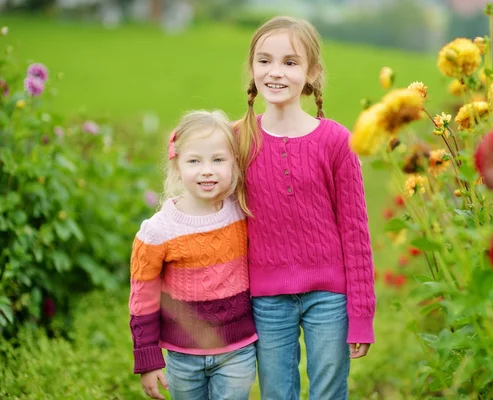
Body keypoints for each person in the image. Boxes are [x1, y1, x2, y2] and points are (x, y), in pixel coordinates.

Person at [236, 16, 376, 400]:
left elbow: (356, 232)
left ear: (312, 72)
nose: (275, 72)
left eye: (290, 62)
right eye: (264, 61)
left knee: (329, 391)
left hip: (330, 297)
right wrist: (182, 147)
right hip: (266, 298)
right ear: (252, 68)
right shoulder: (236, 139)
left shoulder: (336, 141)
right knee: (277, 393)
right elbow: (197, 165)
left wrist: (361, 316)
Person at [129, 110, 257, 400]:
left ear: (234, 163)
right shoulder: (157, 231)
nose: (207, 170)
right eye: (194, 161)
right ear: (177, 166)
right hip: (182, 356)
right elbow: (142, 298)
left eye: (218, 160)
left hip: (237, 351)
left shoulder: (243, 212)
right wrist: (148, 359)